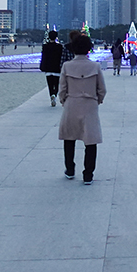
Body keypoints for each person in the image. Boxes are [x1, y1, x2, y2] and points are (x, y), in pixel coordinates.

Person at [58, 35, 106, 185]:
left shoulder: (67, 66)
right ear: (88, 49)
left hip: (71, 103)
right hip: (90, 104)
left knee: (69, 138)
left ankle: (70, 169)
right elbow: (102, 89)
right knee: (90, 141)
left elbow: (62, 89)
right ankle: (88, 174)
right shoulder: (95, 66)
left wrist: (64, 101)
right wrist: (97, 100)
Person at [39, 31, 63, 107]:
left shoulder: (45, 46)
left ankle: (51, 96)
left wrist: (42, 66)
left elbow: (43, 57)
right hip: (57, 68)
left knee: (50, 84)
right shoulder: (59, 46)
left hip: (48, 68)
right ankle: (54, 95)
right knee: (56, 84)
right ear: (56, 37)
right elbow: (61, 58)